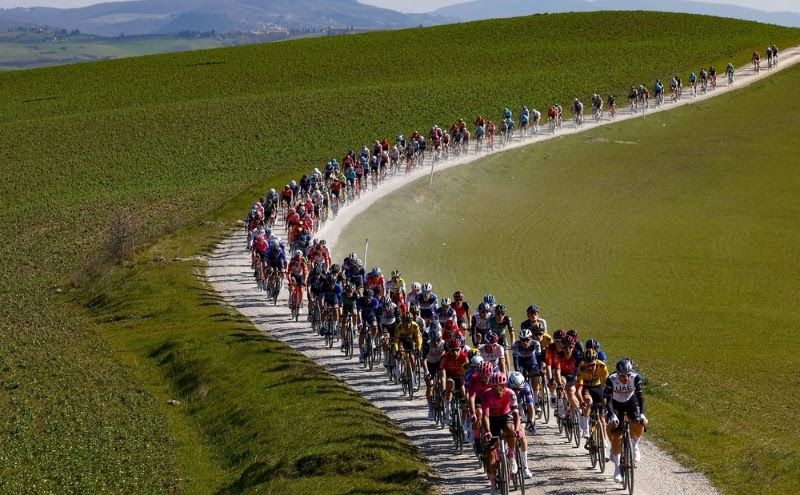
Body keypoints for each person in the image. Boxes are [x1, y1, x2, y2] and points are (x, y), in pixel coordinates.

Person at [605, 358, 647, 483]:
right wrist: (612, 415)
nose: (626, 378)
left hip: (630, 402)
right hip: (616, 404)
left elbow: (641, 398)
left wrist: (643, 415)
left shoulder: (636, 378)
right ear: (617, 374)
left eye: (628, 375)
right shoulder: (611, 380)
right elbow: (608, 400)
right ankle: (617, 466)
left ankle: (635, 444)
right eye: (623, 376)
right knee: (616, 435)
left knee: (640, 422)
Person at [481, 372, 521, 494]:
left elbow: (516, 414)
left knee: (510, 429)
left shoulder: (511, 393)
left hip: (505, 416)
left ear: (505, 386)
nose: (499, 390)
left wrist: (517, 429)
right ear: (491, 386)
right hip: (492, 419)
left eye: (501, 386)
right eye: (495, 387)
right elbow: (486, 416)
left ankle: (511, 455)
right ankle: (493, 484)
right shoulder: (486, 395)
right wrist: (487, 431)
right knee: (491, 451)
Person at [575, 348, 609, 442]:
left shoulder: (602, 366)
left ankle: (604, 441)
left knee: (602, 418)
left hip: (597, 387)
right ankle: (585, 427)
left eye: (592, 365)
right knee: (588, 400)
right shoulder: (581, 367)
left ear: (596, 362)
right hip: (586, 387)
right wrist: (582, 402)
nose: (590, 368)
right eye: (588, 365)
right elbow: (578, 390)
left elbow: (608, 384)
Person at [508, 371, 535, 478]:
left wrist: (532, 421)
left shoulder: (526, 388)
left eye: (520, 389)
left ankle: (525, 467)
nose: (517, 391)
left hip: (518, 406)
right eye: (515, 389)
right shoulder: (505, 387)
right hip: (507, 405)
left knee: (522, 435)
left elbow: (530, 406)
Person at [423, 323, 446, 419]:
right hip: (430, 364)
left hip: (440, 363)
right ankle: (430, 408)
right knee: (430, 385)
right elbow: (423, 360)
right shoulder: (427, 345)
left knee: (442, 378)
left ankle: (444, 398)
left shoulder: (444, 344)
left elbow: (446, 356)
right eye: (433, 341)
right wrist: (426, 372)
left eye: (438, 340)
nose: (436, 343)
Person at [394, 313, 422, 388]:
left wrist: (418, 348)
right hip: (401, 340)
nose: (407, 325)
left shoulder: (415, 325)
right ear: (402, 322)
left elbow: (418, 339)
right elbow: (396, 341)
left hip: (410, 339)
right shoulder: (399, 327)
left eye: (409, 322)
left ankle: (413, 377)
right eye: (405, 323)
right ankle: (398, 370)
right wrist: (397, 351)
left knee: (412, 358)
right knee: (401, 354)